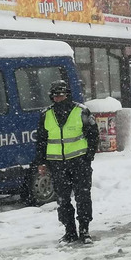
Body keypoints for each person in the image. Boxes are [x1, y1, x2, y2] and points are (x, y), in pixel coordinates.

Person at [32, 80, 100, 244]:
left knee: (83, 197)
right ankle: (69, 231)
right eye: (55, 96)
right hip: (57, 164)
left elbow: (93, 134)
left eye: (61, 95)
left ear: (67, 94)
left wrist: (88, 156)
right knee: (62, 199)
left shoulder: (81, 111)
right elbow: (41, 140)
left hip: (79, 162)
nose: (58, 98)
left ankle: (84, 230)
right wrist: (41, 163)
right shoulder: (46, 114)